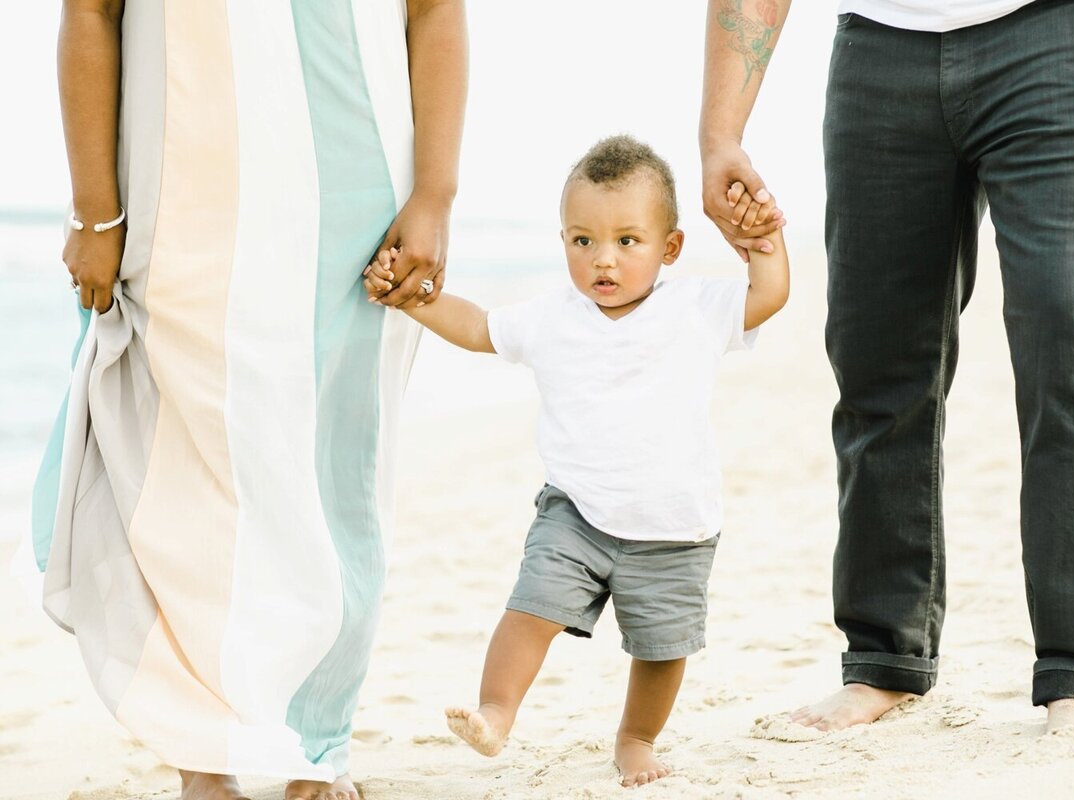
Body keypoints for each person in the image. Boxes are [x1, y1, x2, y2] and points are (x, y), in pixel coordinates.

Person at [699, 0, 1074, 733]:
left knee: (1068, 323)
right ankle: (882, 660)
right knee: (877, 353)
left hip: (1070, 29)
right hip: (881, 47)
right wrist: (720, 133)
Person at [35, 2, 466, 799]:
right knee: (189, 475)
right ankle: (208, 753)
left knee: (338, 475)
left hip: (360, 204)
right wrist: (94, 210)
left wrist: (435, 195)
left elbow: (435, 11)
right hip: (180, 201)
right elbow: (90, 12)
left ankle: (316, 745)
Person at [364, 135, 789, 787]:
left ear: (669, 247)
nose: (603, 260)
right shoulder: (551, 317)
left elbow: (769, 295)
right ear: (563, 241)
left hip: (674, 528)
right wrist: (414, 298)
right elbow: (479, 330)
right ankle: (496, 712)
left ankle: (636, 739)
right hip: (577, 513)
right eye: (582, 241)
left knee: (661, 648)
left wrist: (762, 240)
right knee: (530, 610)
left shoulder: (695, 309)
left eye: (627, 240)